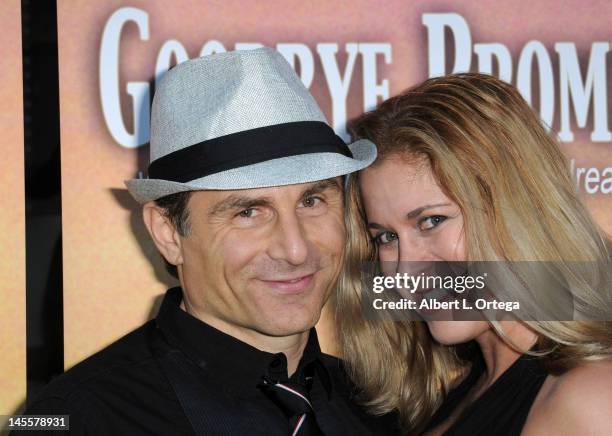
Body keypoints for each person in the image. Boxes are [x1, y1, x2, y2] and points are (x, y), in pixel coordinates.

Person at [22, 48, 401, 435]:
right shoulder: (77, 420)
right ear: (168, 232)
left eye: (312, 200)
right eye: (249, 212)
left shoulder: (382, 406)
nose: (296, 249)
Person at [337, 73, 612, 435]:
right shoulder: (464, 390)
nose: (406, 267)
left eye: (431, 220)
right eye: (386, 237)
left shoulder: (588, 398)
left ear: (519, 208)